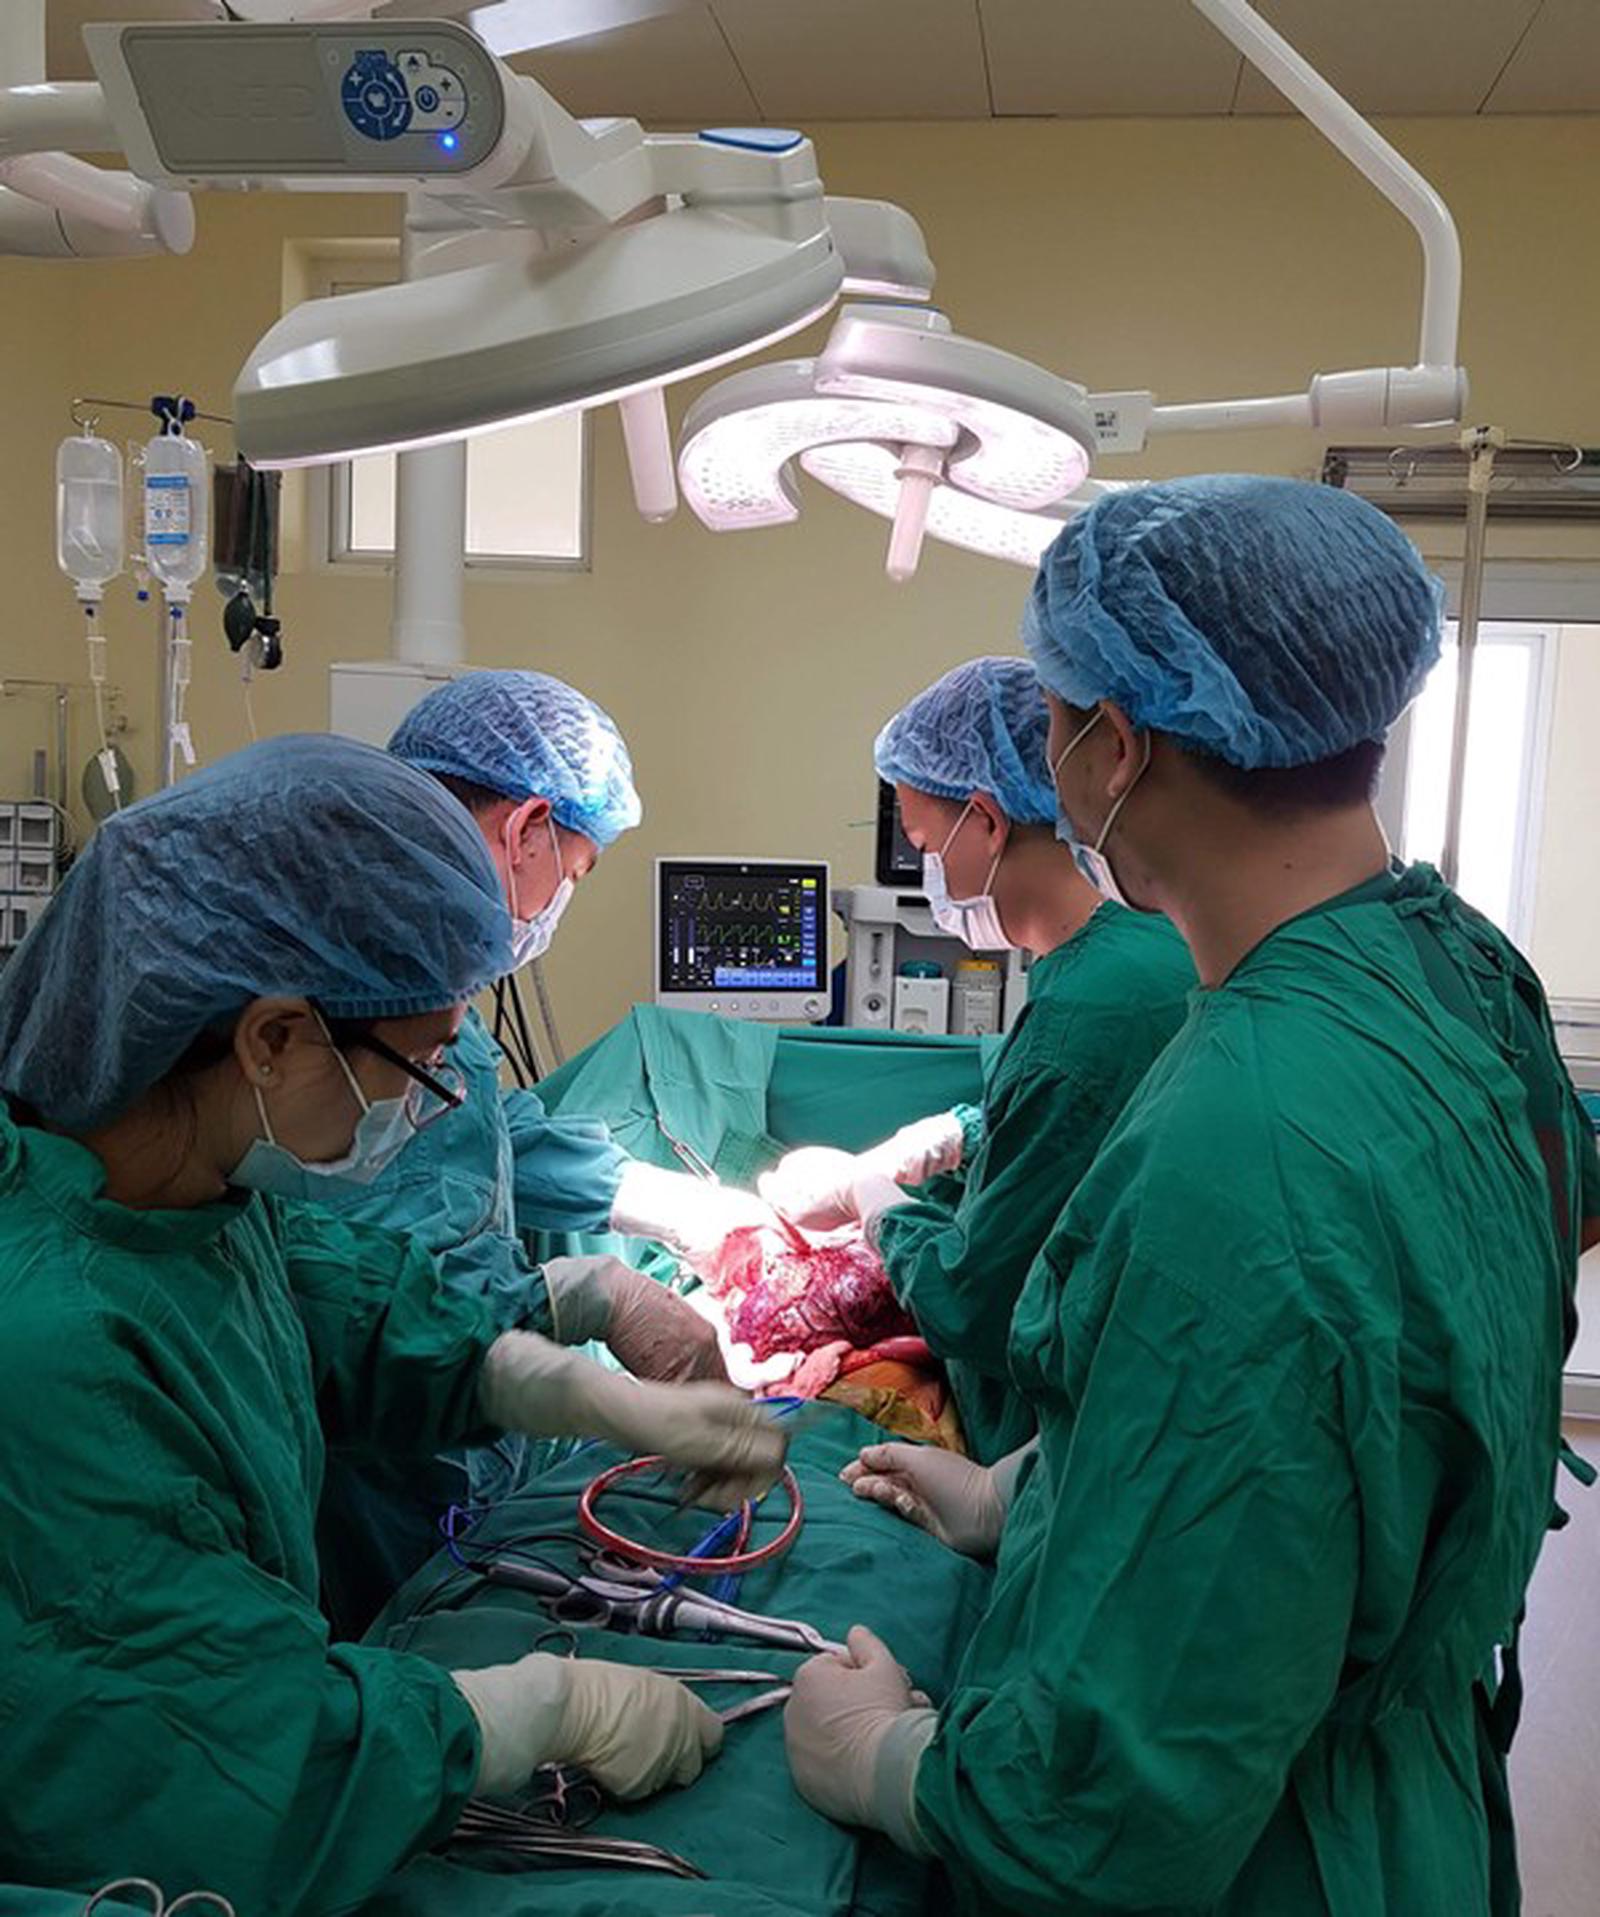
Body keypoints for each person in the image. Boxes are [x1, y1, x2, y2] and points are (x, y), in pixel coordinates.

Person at [782, 475, 1600, 1916]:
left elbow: (1122, 1807)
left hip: (1268, 1853)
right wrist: (1028, 1496)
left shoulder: (1238, 1145)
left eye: (1052, 718)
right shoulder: (1462, 966)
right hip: (1407, 1797)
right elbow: (1347, 1401)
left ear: (1113, 745)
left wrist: (893, 1762)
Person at [0, 735, 785, 1912]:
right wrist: (541, 1710)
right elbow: (213, 1763)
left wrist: (569, 1374)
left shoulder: (187, 1191)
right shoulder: (55, 1346)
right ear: (272, 1040)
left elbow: (348, 1310)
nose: (435, 1104)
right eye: (418, 1067)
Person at [312, 671, 779, 1627]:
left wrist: (658, 1199)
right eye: (578, 868)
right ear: (527, 829)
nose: (566, 895)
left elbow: (484, 1120)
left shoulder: (419, 969)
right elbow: (353, 1285)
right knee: (405, 1645)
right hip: (383, 1473)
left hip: (463, 1440)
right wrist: (579, 1301)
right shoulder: (358, 993)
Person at [759, 656, 1193, 1460]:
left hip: (1057, 1439)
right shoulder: (1144, 945)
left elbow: (973, 1304)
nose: (929, 870)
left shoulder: (1084, 1014)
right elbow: (1080, 1131)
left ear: (988, 822)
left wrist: (867, 1196)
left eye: (926, 844)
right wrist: (959, 1134)